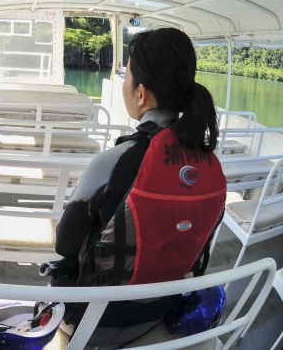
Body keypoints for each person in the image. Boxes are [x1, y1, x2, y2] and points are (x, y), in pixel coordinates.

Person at [50, 27, 226, 348]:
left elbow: (64, 244)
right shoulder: (207, 165)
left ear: (141, 93)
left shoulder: (113, 161)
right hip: (159, 309)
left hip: (94, 321)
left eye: (127, 76)